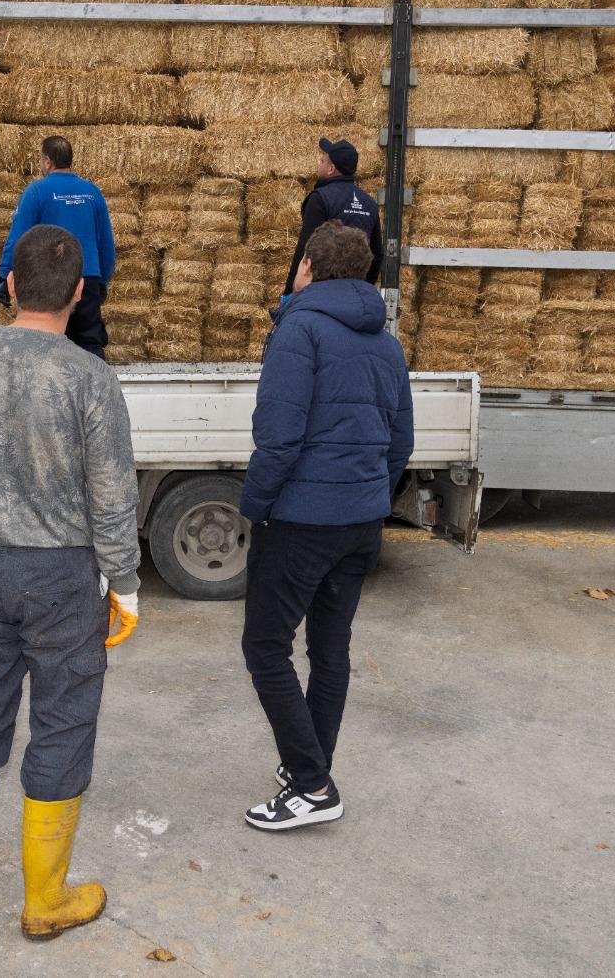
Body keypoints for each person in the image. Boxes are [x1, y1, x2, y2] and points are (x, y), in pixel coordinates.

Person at [0, 223, 140, 941]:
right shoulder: (90, 378)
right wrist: (125, 581)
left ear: (9, 283)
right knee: (62, 719)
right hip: (60, 576)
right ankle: (44, 900)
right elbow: (112, 493)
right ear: (79, 293)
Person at [240, 220, 413, 832]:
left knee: (264, 646)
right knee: (328, 649)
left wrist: (253, 504)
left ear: (307, 267)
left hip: (302, 521)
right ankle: (310, 767)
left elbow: (278, 437)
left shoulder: (300, 330)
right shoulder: (387, 343)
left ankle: (312, 784)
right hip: (360, 522)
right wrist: (368, 495)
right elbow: (401, 443)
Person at [0, 135, 118, 359]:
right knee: (89, 343)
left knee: (45, 343)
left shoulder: (37, 191)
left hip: (48, 279)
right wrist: (101, 279)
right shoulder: (92, 192)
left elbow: (18, 237)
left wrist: (4, 275)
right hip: (85, 278)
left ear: (47, 161)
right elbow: (106, 242)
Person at [281, 137, 383, 296]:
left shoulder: (320, 199)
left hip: (322, 292)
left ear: (331, 169)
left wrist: (289, 294)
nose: (319, 163)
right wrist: (362, 286)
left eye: (322, 161)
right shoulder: (369, 202)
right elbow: (376, 255)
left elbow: (306, 249)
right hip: (355, 292)